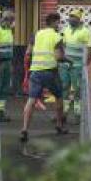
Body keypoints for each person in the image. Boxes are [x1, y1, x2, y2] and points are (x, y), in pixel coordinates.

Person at [21, 12, 68, 143]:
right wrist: (67, 59)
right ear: (54, 22)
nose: (59, 25)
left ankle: (24, 129)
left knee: (31, 100)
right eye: (58, 22)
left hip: (35, 72)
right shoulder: (57, 37)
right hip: (50, 72)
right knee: (59, 97)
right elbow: (58, 57)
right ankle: (59, 125)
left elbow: (28, 52)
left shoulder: (36, 34)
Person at [60, 12, 91, 120]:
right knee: (64, 87)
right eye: (70, 17)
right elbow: (63, 45)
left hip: (78, 65)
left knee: (78, 89)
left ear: (79, 19)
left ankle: (78, 113)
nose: (71, 19)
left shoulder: (85, 31)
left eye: (73, 17)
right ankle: (64, 112)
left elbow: (88, 48)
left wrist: (86, 64)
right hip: (65, 65)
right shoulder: (66, 30)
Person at [0, 10, 16, 122]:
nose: (12, 23)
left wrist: (11, 64)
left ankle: (0, 112)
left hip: (7, 62)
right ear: (6, 20)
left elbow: (9, 48)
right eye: (11, 21)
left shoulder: (9, 30)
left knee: (5, 88)